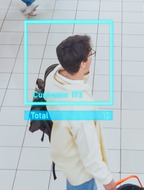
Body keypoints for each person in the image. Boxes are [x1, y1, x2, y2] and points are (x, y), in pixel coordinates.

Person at [45, 35, 116, 190]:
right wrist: (107, 180)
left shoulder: (53, 76)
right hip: (79, 169)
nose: (92, 58)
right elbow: (90, 155)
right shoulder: (80, 109)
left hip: (64, 149)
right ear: (82, 63)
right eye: (90, 55)